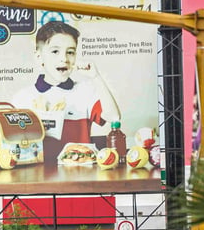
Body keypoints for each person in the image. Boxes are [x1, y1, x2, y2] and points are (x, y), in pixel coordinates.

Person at [11, 20, 122, 164]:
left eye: (70, 52)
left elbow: (114, 117)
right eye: (55, 51)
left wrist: (96, 77)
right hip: (36, 176)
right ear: (39, 57)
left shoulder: (85, 91)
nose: (64, 58)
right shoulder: (22, 98)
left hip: (79, 174)